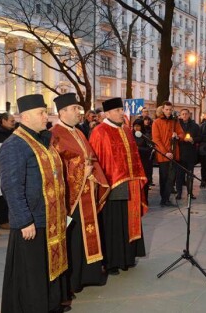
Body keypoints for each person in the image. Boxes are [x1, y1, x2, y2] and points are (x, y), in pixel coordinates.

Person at [0, 94, 69, 313]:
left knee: (49, 267)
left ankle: (51, 305)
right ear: (25, 117)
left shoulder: (43, 139)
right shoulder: (14, 145)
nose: (46, 116)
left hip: (51, 216)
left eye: (45, 111)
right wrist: (24, 220)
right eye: (41, 112)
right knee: (32, 272)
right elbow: (11, 186)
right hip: (32, 221)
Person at [50, 93, 110, 299]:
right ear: (63, 111)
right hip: (71, 197)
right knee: (75, 238)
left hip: (87, 191)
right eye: (75, 108)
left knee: (89, 234)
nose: (79, 112)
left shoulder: (79, 132)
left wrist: (93, 175)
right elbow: (55, 167)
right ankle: (75, 279)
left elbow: (90, 157)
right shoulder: (55, 134)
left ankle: (89, 275)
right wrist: (80, 173)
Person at [89, 97, 148, 275]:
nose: (122, 113)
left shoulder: (127, 130)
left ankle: (128, 258)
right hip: (111, 184)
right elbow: (97, 160)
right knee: (113, 223)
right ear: (107, 113)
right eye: (117, 111)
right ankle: (112, 262)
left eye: (122, 110)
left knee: (128, 220)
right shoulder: (100, 132)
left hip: (129, 183)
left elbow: (135, 155)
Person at [152, 101, 184, 207]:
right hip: (163, 155)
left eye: (170, 109)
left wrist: (177, 136)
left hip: (174, 153)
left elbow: (182, 134)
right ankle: (164, 199)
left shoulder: (175, 121)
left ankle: (166, 199)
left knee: (172, 177)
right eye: (167, 109)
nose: (169, 111)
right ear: (163, 109)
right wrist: (166, 152)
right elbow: (156, 139)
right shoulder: (156, 122)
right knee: (164, 178)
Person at [176, 108, 200, 200]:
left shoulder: (195, 126)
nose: (184, 115)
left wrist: (193, 139)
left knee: (190, 175)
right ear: (180, 115)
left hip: (190, 153)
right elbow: (175, 136)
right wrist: (180, 138)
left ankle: (190, 193)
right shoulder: (177, 125)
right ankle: (179, 193)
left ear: (189, 115)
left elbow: (199, 137)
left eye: (186, 114)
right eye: (183, 114)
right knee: (179, 175)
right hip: (180, 153)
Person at [133, 119, 154, 201]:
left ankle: (144, 199)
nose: (136, 128)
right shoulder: (131, 135)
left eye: (138, 126)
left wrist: (138, 149)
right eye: (134, 126)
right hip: (135, 163)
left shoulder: (145, 136)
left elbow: (150, 149)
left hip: (144, 162)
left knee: (144, 182)